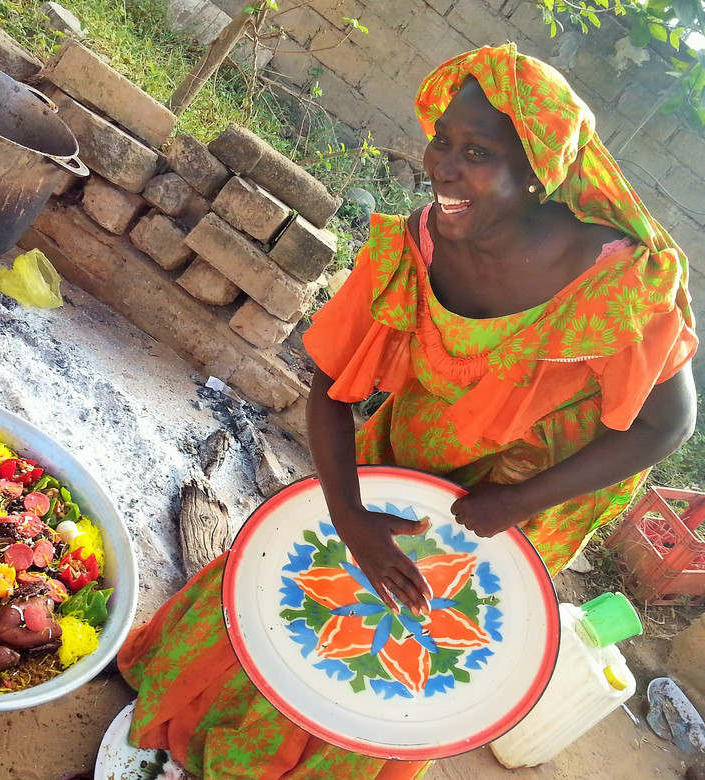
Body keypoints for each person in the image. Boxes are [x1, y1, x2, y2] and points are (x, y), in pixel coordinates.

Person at [117, 43, 698, 780]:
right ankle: (203, 710)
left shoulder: (615, 286)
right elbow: (330, 388)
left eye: (477, 152)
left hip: (532, 497)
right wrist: (350, 515)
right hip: (413, 453)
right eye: (442, 141)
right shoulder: (417, 247)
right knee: (312, 570)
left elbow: (667, 425)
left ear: (535, 177)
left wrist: (516, 501)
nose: (444, 166)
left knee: (405, 639)